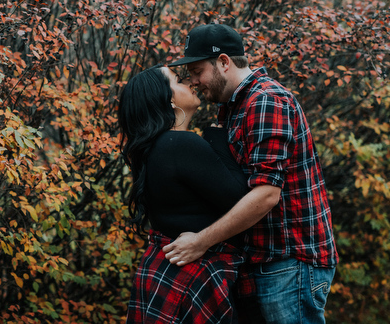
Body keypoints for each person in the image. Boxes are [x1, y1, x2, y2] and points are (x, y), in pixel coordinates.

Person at [164, 23, 339, 324]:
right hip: (262, 260)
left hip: (288, 261)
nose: (193, 82)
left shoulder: (265, 100)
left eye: (196, 71)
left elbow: (267, 193)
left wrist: (201, 241)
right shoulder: (233, 106)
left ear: (223, 62)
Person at [118, 64, 250, 323]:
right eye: (178, 80)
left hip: (169, 271)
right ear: (166, 100)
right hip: (193, 277)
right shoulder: (180, 144)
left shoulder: (155, 149)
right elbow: (243, 198)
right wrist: (217, 134)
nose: (190, 83)